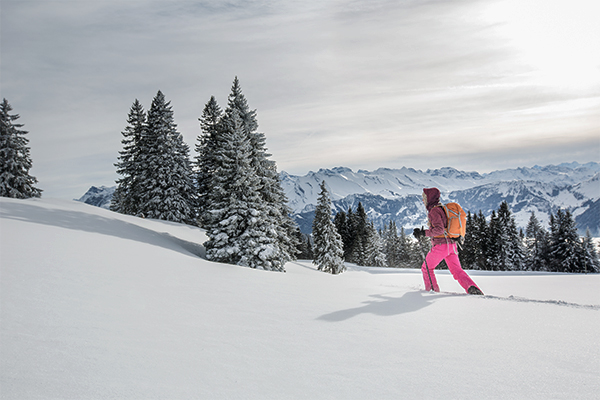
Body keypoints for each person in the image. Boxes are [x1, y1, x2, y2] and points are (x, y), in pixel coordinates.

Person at [413, 187, 484, 295]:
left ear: (429, 198)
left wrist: (423, 233)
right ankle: (471, 287)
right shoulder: (441, 208)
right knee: (457, 271)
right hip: (451, 245)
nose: (423, 200)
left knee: (426, 268)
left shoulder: (434, 211)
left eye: (424, 198)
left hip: (441, 245)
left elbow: (439, 229)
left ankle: (432, 291)